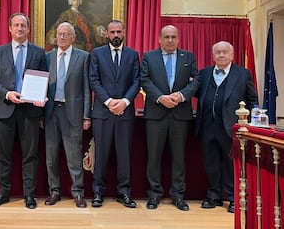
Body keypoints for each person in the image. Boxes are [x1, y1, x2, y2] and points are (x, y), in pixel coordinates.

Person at [0, 12, 47, 209]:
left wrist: (42, 95)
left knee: (30, 155)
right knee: (3, 154)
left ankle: (29, 194)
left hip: (30, 111)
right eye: (16, 25)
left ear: (28, 29)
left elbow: (44, 76)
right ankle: (3, 193)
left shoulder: (38, 52)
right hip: (5, 109)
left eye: (23, 25)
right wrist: (7, 93)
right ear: (10, 29)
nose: (20, 28)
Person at [140, 25, 199, 212]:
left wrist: (181, 95)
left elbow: (196, 80)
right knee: (154, 157)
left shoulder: (188, 57)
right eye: (166, 36)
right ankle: (154, 195)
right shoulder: (149, 57)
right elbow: (144, 80)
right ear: (159, 39)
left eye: (173, 37)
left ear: (178, 39)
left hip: (180, 114)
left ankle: (178, 195)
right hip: (156, 114)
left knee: (179, 157)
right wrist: (160, 97)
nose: (170, 40)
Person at [195, 41, 258, 213]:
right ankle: (213, 196)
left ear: (232, 55)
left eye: (225, 52)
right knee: (210, 163)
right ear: (213, 55)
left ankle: (232, 198)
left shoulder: (243, 74)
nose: (221, 55)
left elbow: (252, 100)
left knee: (231, 164)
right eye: (218, 52)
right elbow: (193, 91)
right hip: (207, 125)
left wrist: (250, 121)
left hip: (231, 127)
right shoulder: (205, 73)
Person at [89, 20, 139, 208]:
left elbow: (136, 81)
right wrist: (109, 102)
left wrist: (124, 102)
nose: (116, 35)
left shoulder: (133, 55)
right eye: (112, 32)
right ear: (107, 34)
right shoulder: (97, 54)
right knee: (100, 154)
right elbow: (93, 80)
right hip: (103, 112)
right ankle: (98, 193)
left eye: (119, 31)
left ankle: (124, 192)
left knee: (124, 155)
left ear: (124, 32)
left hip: (125, 113)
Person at [44, 22, 91, 208]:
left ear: (73, 37)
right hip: (50, 112)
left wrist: (86, 116)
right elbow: (41, 86)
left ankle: (78, 192)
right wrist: (40, 113)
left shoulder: (83, 57)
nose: (62, 37)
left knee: (74, 156)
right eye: (59, 34)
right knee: (51, 156)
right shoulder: (47, 57)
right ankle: (54, 191)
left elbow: (87, 89)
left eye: (66, 34)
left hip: (73, 113)